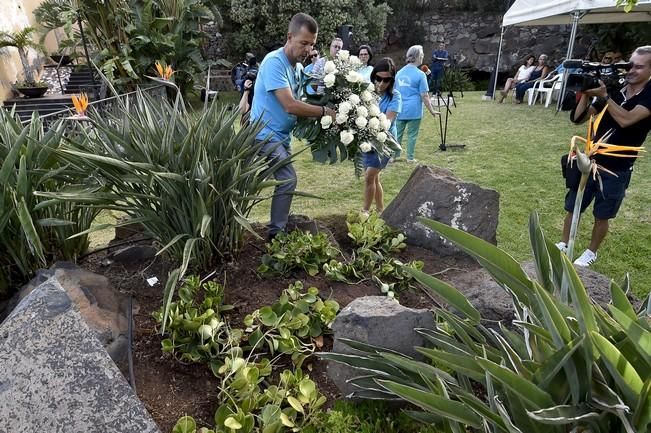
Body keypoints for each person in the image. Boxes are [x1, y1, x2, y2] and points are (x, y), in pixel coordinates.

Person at [557, 45, 651, 266]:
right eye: (630, 65)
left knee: (603, 212)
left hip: (618, 164)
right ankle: (564, 243)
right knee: (574, 205)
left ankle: (591, 252)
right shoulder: (618, 89)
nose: (631, 70)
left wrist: (605, 96)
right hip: (591, 159)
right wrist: (585, 93)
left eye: (639, 67)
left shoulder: (648, 95)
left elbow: (626, 119)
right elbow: (579, 118)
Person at [250, 13, 336, 240]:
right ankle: (276, 235)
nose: (308, 49)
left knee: (285, 180)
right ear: (290, 37)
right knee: (288, 178)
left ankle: (279, 228)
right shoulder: (273, 63)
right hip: (264, 135)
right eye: (304, 43)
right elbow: (290, 105)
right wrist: (325, 113)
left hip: (281, 137)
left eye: (312, 44)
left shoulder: (297, 69)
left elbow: (305, 101)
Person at [362, 57, 402, 214]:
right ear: (373, 76)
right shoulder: (366, 92)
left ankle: (364, 211)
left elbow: (388, 121)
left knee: (369, 177)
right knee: (374, 178)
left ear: (391, 81)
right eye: (378, 78)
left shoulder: (395, 96)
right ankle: (380, 211)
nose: (381, 83)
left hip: (384, 143)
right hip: (367, 141)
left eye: (386, 80)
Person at [394, 45, 440, 162]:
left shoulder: (399, 73)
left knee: (397, 134)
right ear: (418, 57)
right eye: (422, 55)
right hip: (414, 110)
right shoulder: (420, 74)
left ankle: (393, 157)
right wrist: (432, 110)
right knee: (412, 135)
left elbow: (394, 91)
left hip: (400, 109)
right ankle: (410, 158)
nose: (423, 57)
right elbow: (424, 95)